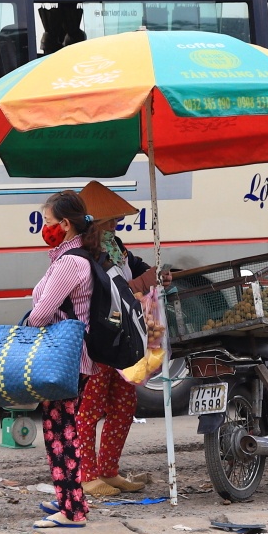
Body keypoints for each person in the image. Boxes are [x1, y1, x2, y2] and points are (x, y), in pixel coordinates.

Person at [73, 180, 162, 498]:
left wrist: (154, 273)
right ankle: (87, 475)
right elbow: (107, 291)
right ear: (94, 223)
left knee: (124, 404)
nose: (116, 224)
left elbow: (134, 269)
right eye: (110, 220)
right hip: (96, 340)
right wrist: (140, 282)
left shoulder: (115, 245)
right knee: (90, 408)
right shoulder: (82, 255)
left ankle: (109, 471)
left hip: (124, 338)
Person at [27, 190, 102, 527]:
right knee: (63, 429)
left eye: (49, 222)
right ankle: (69, 500)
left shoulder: (70, 263)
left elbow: (41, 314)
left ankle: (72, 511)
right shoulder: (75, 256)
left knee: (60, 432)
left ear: (66, 224)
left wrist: (27, 324)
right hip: (75, 357)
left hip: (64, 358)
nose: (45, 228)